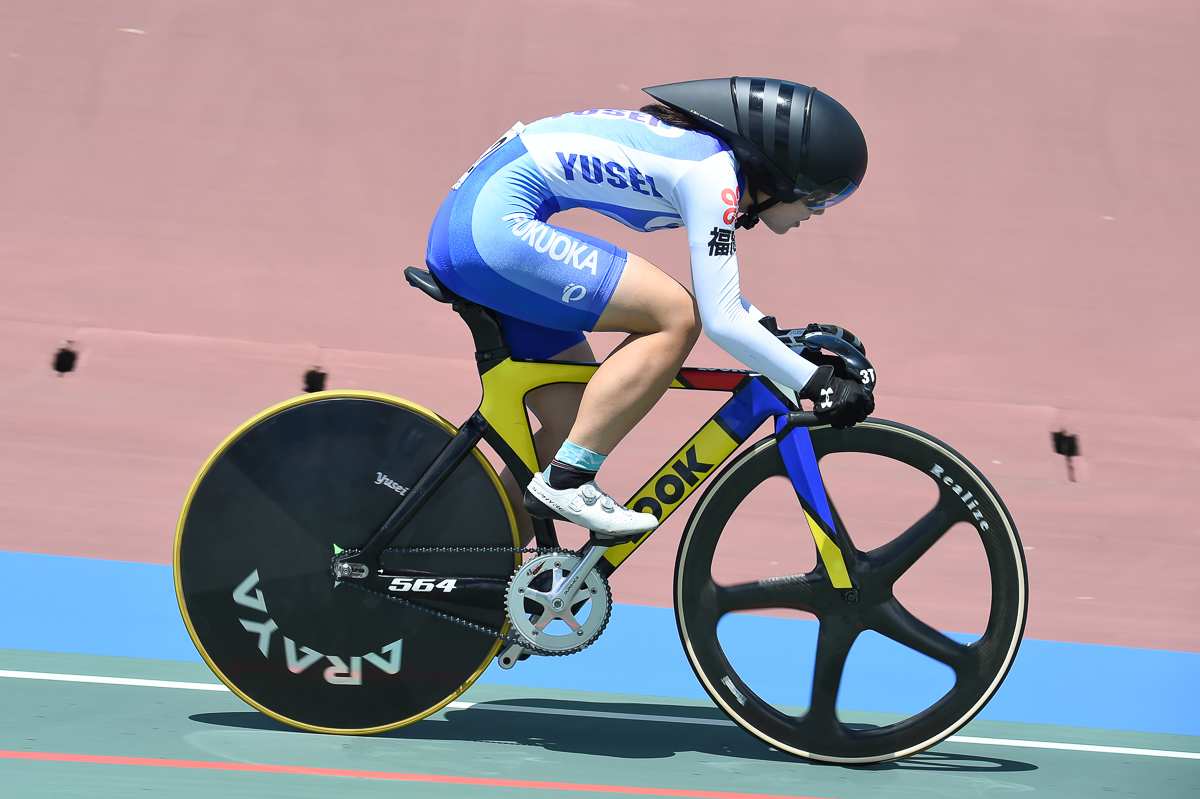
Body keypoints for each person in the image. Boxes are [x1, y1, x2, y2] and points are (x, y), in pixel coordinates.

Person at [424, 77, 874, 544]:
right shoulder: (713, 175)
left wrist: (780, 345)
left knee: (575, 418)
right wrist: (816, 383)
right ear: (780, 173)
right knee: (674, 316)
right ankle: (569, 481)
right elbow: (717, 318)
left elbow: (722, 297)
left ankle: (473, 556)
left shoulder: (707, 161)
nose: (819, 211)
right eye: (819, 196)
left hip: (476, 228)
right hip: (488, 233)